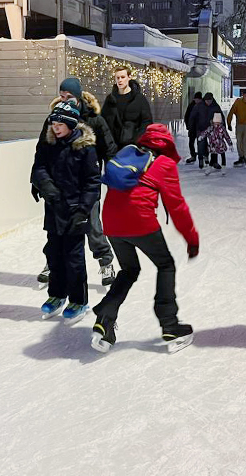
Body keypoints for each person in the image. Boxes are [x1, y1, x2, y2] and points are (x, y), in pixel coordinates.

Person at [93, 124, 199, 353]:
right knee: (166, 265)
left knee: (129, 270)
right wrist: (192, 238)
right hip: (140, 221)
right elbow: (177, 207)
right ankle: (169, 324)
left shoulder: (128, 153)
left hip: (111, 222)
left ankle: (105, 319)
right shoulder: (164, 164)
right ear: (167, 144)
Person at [35, 77, 117, 287]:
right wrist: (36, 181)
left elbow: (109, 150)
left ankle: (106, 261)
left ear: (78, 97)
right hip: (59, 185)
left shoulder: (94, 119)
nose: (65, 100)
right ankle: (51, 263)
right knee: (57, 229)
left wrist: (115, 177)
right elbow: (42, 151)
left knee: (92, 226)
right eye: (62, 96)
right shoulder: (52, 118)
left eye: (69, 97)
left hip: (86, 186)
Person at [30, 100, 101, 325]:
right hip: (54, 209)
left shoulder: (85, 148)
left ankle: (79, 300)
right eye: (53, 123)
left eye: (60, 123)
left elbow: (92, 182)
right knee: (53, 254)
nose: (55, 127)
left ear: (70, 124)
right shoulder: (48, 144)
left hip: (75, 212)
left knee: (74, 258)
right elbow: (38, 168)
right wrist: (46, 187)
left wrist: (83, 211)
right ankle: (57, 295)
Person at [101, 65, 153, 149]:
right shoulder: (110, 99)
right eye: (117, 78)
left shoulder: (139, 99)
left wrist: (138, 140)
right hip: (113, 146)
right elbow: (103, 121)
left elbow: (147, 121)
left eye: (122, 77)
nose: (120, 80)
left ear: (129, 77)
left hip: (133, 146)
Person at [186, 92, 224, 170]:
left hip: (212, 129)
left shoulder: (215, 106)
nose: (208, 102)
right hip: (201, 128)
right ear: (204, 100)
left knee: (214, 145)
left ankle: (214, 162)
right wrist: (191, 128)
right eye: (207, 101)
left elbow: (221, 117)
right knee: (201, 145)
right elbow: (192, 117)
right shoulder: (198, 106)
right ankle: (201, 160)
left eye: (210, 101)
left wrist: (223, 128)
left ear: (212, 100)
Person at [227, 90, 246, 167]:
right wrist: (229, 123)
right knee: (239, 139)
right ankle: (241, 156)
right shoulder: (238, 102)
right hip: (239, 122)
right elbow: (231, 111)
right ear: (243, 95)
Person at [183, 93, 203, 163]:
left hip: (200, 128)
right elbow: (187, 116)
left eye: (198, 99)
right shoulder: (191, 105)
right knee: (191, 143)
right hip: (192, 127)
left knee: (200, 143)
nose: (196, 101)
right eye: (195, 99)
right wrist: (188, 126)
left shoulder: (203, 105)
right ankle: (193, 155)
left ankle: (202, 156)